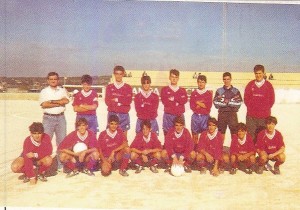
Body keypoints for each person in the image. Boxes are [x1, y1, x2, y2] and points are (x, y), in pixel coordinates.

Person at [39, 72, 69, 171]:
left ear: (58, 80)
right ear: (48, 80)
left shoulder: (62, 90)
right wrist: (58, 102)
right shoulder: (44, 91)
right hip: (48, 118)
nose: (53, 81)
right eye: (51, 79)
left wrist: (52, 101)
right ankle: (44, 165)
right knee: (46, 142)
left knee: (62, 142)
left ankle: (61, 164)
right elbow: (44, 104)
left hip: (60, 118)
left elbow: (66, 101)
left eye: (55, 79)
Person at [244, 65, 275, 142]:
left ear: (264, 73)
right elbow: (246, 99)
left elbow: (272, 100)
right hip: (251, 116)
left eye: (260, 73)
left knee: (262, 136)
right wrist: (252, 108)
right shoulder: (250, 84)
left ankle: (261, 153)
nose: (258, 75)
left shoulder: (268, 85)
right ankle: (252, 153)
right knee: (251, 136)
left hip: (264, 116)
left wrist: (264, 109)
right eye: (256, 73)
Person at [213, 72, 242, 142]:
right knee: (221, 133)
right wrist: (231, 102)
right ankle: (220, 149)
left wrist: (227, 102)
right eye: (225, 79)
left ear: (231, 79)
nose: (226, 81)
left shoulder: (236, 91)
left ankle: (234, 149)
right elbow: (215, 103)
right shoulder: (219, 91)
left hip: (232, 114)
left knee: (234, 133)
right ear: (223, 80)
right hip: (222, 114)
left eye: (228, 79)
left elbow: (239, 103)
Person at [105, 66, 133, 138]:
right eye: (117, 74)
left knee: (124, 139)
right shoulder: (109, 87)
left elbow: (128, 101)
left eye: (120, 74)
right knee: (110, 137)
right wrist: (122, 101)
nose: (118, 76)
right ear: (114, 74)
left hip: (123, 115)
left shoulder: (128, 87)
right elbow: (107, 102)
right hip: (112, 114)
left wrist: (117, 100)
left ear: (123, 74)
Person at [161, 69, 188, 136]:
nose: (174, 79)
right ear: (169, 77)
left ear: (178, 78)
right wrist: (178, 101)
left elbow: (184, 101)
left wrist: (173, 98)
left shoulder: (182, 90)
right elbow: (165, 102)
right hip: (168, 115)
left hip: (179, 115)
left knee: (181, 135)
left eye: (176, 77)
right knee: (167, 134)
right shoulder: (164, 89)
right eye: (172, 77)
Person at [189, 75, 213, 145]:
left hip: (205, 116)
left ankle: (203, 150)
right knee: (194, 135)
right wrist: (202, 104)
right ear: (197, 82)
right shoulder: (194, 93)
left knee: (205, 135)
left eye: (202, 82)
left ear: (205, 83)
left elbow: (208, 106)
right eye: (199, 82)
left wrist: (198, 102)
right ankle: (195, 149)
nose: (201, 84)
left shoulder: (208, 93)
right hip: (196, 116)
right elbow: (192, 107)